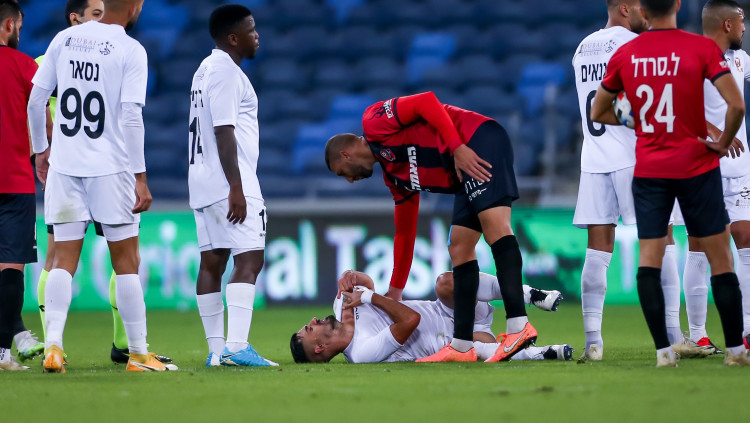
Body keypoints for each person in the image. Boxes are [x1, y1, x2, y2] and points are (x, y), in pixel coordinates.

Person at [591, 0, 750, 366]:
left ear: (643, 12)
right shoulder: (701, 48)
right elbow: (737, 105)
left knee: (650, 260)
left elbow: (599, 110)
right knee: (720, 257)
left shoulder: (627, 53)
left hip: (650, 171)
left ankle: (664, 351)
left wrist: (637, 120)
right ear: (677, 5)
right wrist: (722, 143)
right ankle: (736, 350)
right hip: (697, 167)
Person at [325, 92, 535, 363]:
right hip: (462, 174)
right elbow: (405, 231)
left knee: (496, 227)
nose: (349, 180)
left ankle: (518, 326)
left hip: (475, 141)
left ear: (345, 154)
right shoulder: (394, 175)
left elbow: (425, 101)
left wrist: (457, 147)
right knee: (459, 246)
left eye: (342, 172)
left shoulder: (374, 121)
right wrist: (396, 289)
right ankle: (462, 346)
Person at [28, 0, 176, 372]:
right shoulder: (130, 48)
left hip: (65, 166)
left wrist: (41, 151)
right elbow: (131, 115)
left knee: (62, 260)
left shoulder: (64, 39)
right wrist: (140, 176)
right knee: (126, 262)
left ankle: (54, 347)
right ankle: (138, 354)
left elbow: (35, 100)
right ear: (133, 6)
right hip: (111, 168)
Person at [573, 0, 692, 361]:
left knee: (597, 250)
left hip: (594, 158)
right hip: (636, 157)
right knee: (662, 240)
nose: (646, 13)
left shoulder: (582, 47)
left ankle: (593, 342)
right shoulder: (635, 45)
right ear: (625, 8)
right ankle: (674, 336)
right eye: (641, 6)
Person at [190, 4, 275, 367]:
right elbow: (223, 131)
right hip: (229, 181)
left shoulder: (204, 69)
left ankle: (216, 352)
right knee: (250, 257)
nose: (257, 36)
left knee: (213, 261)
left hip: (202, 180)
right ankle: (236, 347)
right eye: (251, 30)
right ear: (233, 38)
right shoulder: (226, 72)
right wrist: (236, 188)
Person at [673, 0, 750, 352]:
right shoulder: (689, 57)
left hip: (739, 168)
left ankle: (747, 330)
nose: (745, 28)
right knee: (700, 247)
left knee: (746, 240)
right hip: (702, 165)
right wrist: (715, 132)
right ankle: (699, 333)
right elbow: (676, 106)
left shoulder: (740, 59)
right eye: (741, 21)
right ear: (727, 24)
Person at [290, 270, 570, 364]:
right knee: (486, 351)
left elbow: (368, 285)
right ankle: (546, 353)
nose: (313, 321)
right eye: (309, 329)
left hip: (447, 309)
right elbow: (410, 320)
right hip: (453, 340)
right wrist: (367, 298)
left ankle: (532, 295)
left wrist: (352, 275)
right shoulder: (362, 352)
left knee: (446, 282)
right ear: (320, 348)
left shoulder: (341, 304)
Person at [0, 0, 37, 371]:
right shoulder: (25, 66)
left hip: (15, 179)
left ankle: (19, 337)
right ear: (9, 25)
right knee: (11, 268)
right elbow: (42, 121)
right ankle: (3, 354)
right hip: (14, 180)